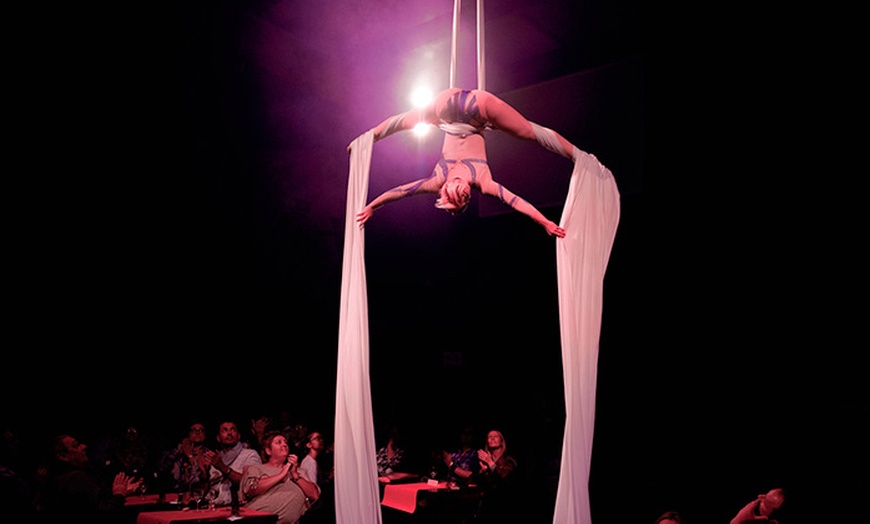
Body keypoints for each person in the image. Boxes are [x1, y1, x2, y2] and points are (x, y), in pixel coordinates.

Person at [353, 87, 580, 238]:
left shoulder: (448, 181)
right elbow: (516, 202)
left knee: (530, 132)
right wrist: (544, 223)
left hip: (471, 109)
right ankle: (366, 138)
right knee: (529, 131)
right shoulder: (472, 181)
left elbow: (401, 191)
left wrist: (373, 205)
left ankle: (367, 138)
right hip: (459, 107)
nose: (458, 189)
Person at [38, 433, 142, 524]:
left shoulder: (57, 479)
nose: (84, 446)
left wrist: (119, 491)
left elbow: (87, 505)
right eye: (76, 445)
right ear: (62, 456)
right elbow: (108, 515)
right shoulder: (76, 479)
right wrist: (119, 495)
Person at [240, 431, 320, 524]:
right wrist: (281, 474)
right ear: (268, 450)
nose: (284, 445)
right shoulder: (257, 468)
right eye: (279, 442)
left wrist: (295, 475)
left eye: (285, 442)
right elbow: (251, 489)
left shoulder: (299, 472)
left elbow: (315, 495)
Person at [201, 420, 262, 507]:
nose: (229, 433)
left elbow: (249, 484)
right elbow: (209, 487)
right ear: (218, 438)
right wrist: (204, 473)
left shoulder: (250, 454)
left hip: (236, 506)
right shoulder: (215, 457)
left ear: (238, 436)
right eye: (225, 430)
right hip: (213, 504)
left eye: (233, 430)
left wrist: (222, 467)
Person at [475, 429, 519, 524]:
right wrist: (484, 470)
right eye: (490, 437)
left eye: (496, 436)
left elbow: (503, 478)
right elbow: (479, 483)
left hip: (504, 505)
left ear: (501, 442)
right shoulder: (485, 461)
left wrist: (490, 463)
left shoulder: (509, 460)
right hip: (487, 505)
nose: (492, 438)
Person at [156, 421, 212, 493]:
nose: (197, 432)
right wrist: (178, 451)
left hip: (197, 494)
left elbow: (198, 480)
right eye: (194, 430)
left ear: (205, 435)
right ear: (189, 434)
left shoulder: (208, 454)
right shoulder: (177, 452)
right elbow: (161, 468)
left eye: (201, 430)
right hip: (174, 493)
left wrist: (190, 457)